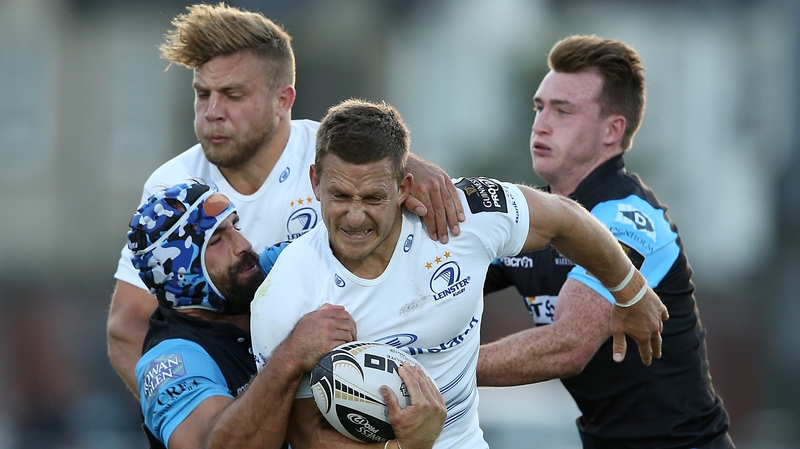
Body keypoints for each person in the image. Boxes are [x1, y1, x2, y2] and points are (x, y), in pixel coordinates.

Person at [249, 99, 668, 449]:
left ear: (404, 187)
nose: (355, 216)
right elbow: (307, 436)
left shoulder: (461, 216)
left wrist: (630, 290)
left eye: (374, 198)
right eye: (339, 195)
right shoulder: (286, 295)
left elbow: (566, 219)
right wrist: (405, 447)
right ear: (315, 182)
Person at [107, 2, 464, 397]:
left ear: (283, 100)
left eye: (232, 95)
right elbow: (127, 326)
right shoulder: (173, 186)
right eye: (202, 93)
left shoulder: (340, 162)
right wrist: (188, 415)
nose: (212, 112)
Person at [477, 35, 734, 449]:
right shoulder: (527, 218)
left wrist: (436, 370)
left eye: (563, 111)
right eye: (540, 107)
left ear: (612, 130)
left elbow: (568, 346)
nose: (541, 123)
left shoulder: (632, 220)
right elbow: (440, 281)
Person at [127, 181, 443, 449]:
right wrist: (291, 356)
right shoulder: (169, 360)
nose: (244, 244)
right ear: (181, 274)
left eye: (234, 226)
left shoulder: (262, 272)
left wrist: (406, 193)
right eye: (218, 240)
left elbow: (358, 239)